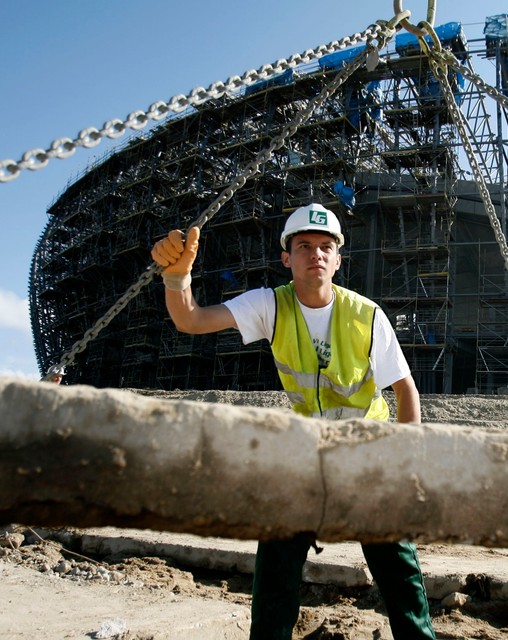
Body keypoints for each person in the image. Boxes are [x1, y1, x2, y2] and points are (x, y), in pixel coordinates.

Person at [151, 203, 436, 640]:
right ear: (287, 257)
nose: (316, 254)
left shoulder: (366, 315)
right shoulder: (271, 305)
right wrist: (177, 279)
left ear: (338, 260)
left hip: (369, 449)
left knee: (395, 561)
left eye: (326, 247)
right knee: (279, 540)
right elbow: (190, 319)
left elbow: (406, 391)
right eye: (304, 246)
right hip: (312, 452)